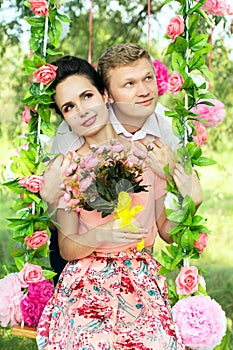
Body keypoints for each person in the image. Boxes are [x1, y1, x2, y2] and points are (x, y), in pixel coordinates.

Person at [36, 55, 202, 349]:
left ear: (104, 95)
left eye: (87, 96)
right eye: (69, 107)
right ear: (64, 117)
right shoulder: (68, 168)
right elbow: (66, 248)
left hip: (140, 281)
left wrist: (191, 201)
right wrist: (101, 235)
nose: (82, 111)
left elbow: (166, 230)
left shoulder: (148, 153)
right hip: (87, 282)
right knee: (95, 341)